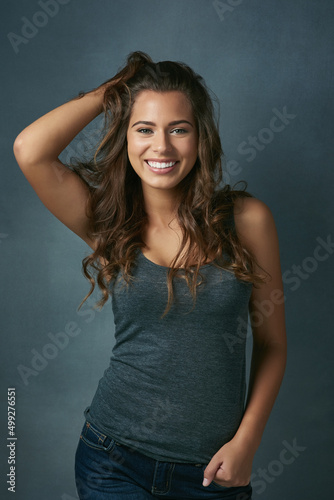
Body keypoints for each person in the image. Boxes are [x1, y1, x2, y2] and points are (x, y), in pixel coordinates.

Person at [13, 51, 287, 500]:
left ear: (201, 138)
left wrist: (248, 441)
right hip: (112, 460)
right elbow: (30, 149)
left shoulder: (247, 220)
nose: (161, 147)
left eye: (178, 129)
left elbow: (273, 344)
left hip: (211, 472)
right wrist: (117, 89)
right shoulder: (109, 223)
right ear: (126, 137)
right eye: (144, 129)